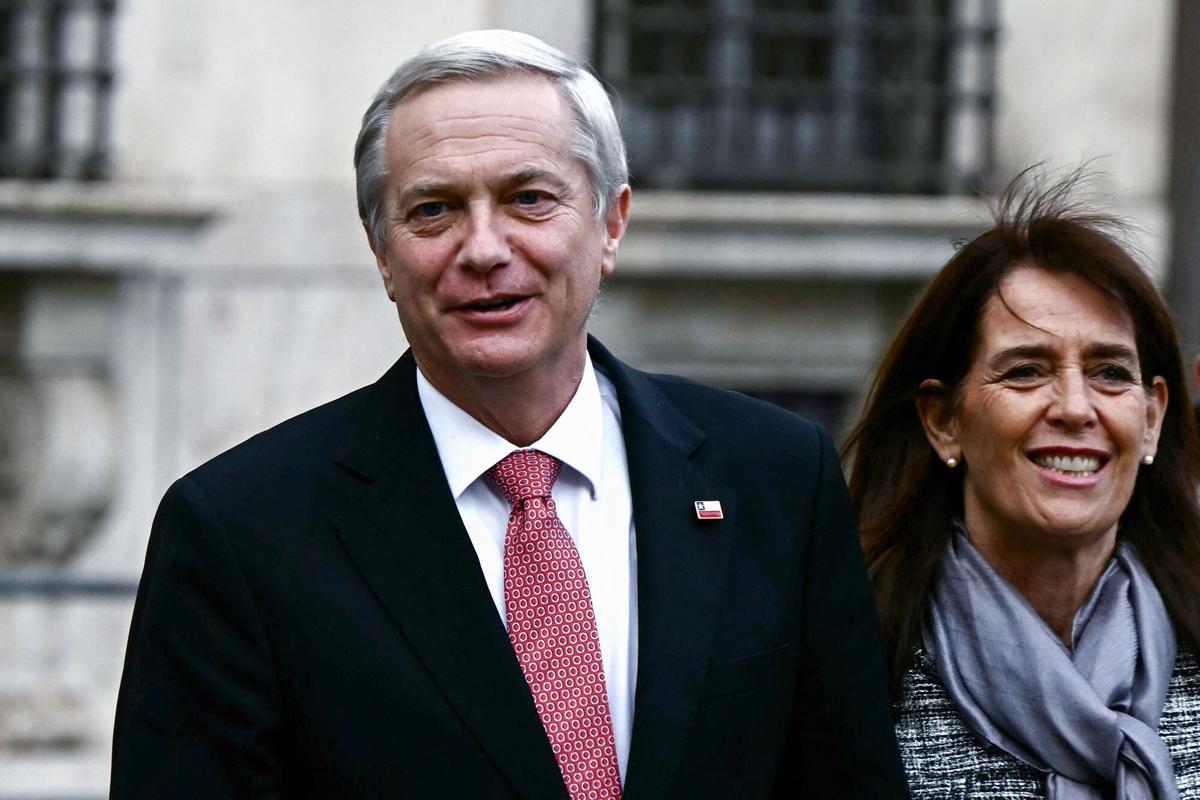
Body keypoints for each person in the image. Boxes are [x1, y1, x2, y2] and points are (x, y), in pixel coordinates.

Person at [110, 30, 906, 798]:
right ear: (383, 253)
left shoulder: (775, 478)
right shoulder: (239, 532)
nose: (484, 248)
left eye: (528, 199)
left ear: (611, 224)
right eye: (434, 211)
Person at [843, 172, 1200, 798]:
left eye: (1111, 373)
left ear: (1151, 419)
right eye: (1027, 371)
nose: (1074, 407)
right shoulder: (851, 664)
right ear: (943, 421)